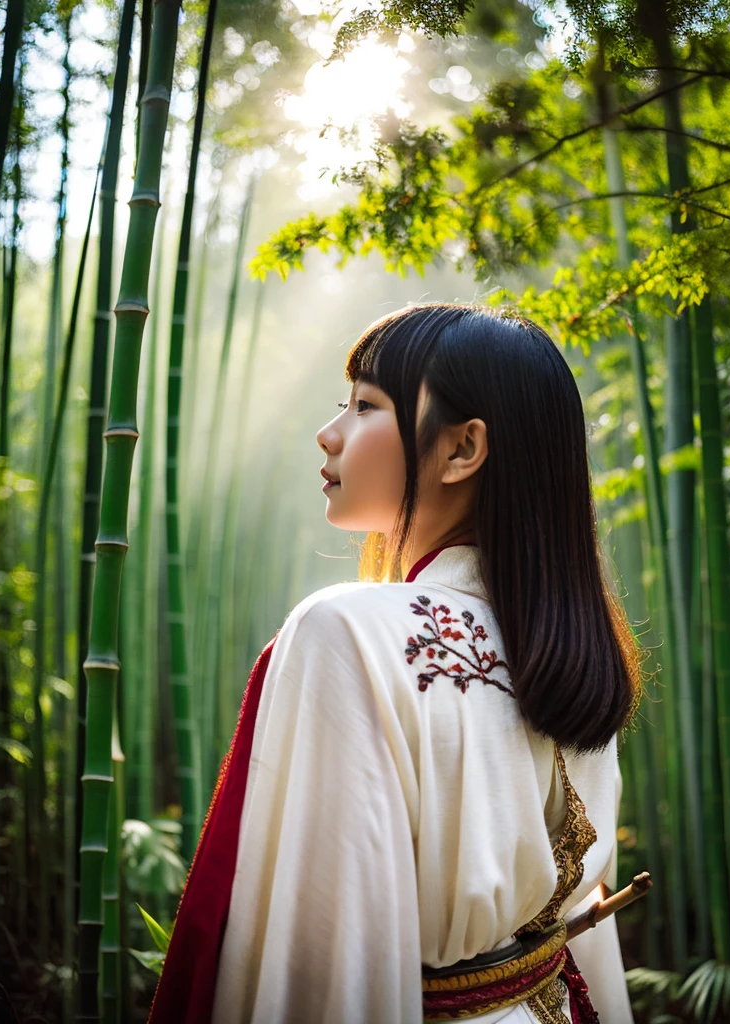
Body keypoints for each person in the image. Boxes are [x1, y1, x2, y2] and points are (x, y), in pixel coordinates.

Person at [148, 304, 643, 1024]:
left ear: (461, 448)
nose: (329, 432)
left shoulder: (346, 631)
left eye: (364, 405)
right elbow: (581, 937)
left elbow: (325, 962)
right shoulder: (567, 645)